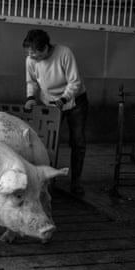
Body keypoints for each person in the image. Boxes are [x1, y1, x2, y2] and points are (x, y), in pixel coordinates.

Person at [22, 29, 88, 195]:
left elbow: (75, 82)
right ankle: (46, 180)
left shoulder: (64, 53)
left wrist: (63, 100)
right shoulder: (30, 59)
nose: (32, 56)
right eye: (29, 53)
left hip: (74, 101)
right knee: (47, 143)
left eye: (36, 53)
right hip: (49, 103)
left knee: (78, 141)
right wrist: (30, 98)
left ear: (45, 48)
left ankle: (76, 181)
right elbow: (31, 82)